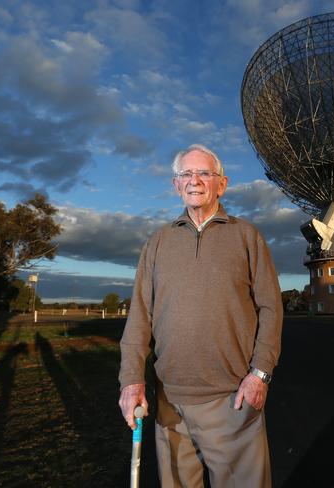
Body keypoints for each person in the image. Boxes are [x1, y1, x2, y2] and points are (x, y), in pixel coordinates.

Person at [118, 143, 283, 487]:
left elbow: (270, 308)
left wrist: (260, 374)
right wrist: (132, 380)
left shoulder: (246, 236)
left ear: (221, 184)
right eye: (186, 174)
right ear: (176, 185)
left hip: (232, 401)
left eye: (204, 173)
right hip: (169, 405)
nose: (195, 180)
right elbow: (139, 317)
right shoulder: (157, 243)